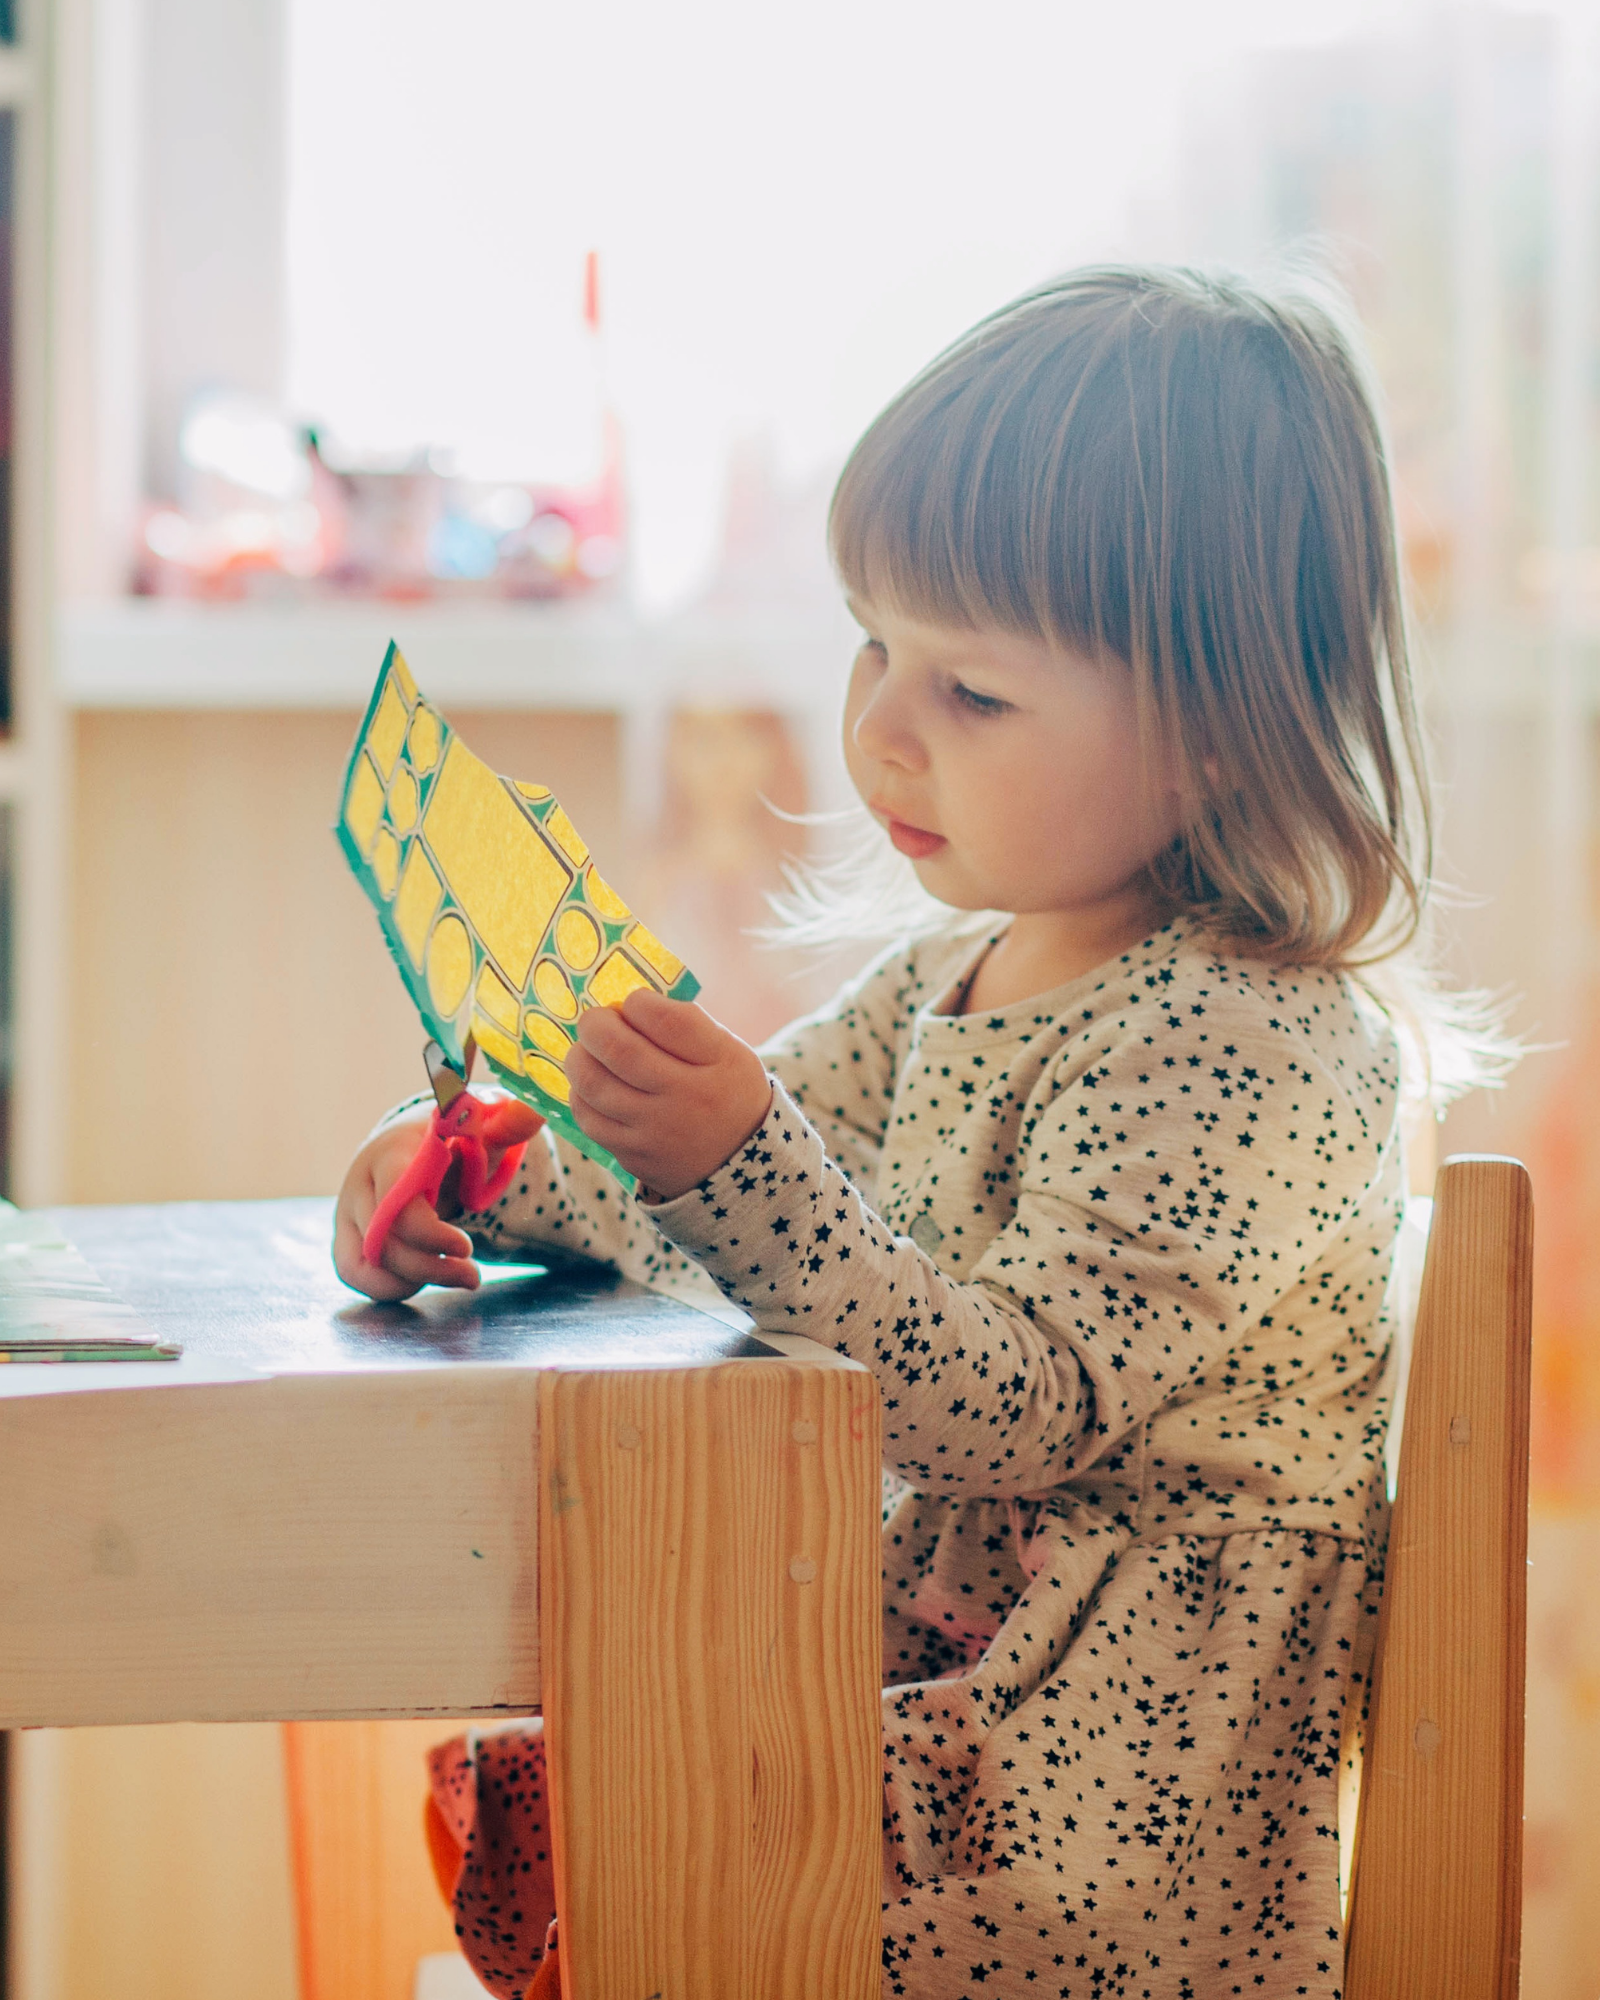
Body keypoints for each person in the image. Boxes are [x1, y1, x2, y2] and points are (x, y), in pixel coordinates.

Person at [335, 265, 1486, 2000]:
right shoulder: (948, 972)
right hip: (950, 1708)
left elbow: (1014, 1407)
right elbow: (727, 1204)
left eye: (977, 695)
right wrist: (503, 1180)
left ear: (1223, 733)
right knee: (613, 1742)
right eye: (878, 642)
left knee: (665, 1802)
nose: (879, 724)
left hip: (1101, 1830)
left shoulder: (1259, 1042)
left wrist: (732, 1159)